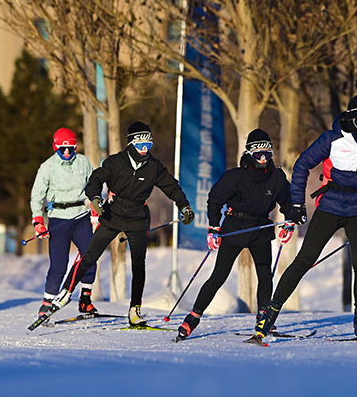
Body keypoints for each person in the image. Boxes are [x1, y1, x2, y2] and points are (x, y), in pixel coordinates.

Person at [255, 92, 357, 339]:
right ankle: (269, 316)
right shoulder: (332, 139)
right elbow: (302, 165)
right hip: (330, 206)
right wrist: (298, 204)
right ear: (351, 117)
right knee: (304, 260)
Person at [47, 121, 195, 326]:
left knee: (138, 266)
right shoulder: (116, 162)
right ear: (131, 143)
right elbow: (95, 180)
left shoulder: (154, 167)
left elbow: (172, 187)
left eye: (148, 145)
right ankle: (65, 293)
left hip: (138, 218)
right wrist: (96, 199)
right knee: (90, 254)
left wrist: (184, 206)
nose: (144, 150)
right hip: (112, 214)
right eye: (141, 145)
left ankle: (135, 310)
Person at [175, 129, 292, 341]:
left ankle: (263, 319)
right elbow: (214, 199)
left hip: (261, 229)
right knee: (219, 275)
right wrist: (213, 227)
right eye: (258, 154)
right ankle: (193, 317)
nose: (263, 158)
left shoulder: (277, 177)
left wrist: (290, 223)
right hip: (235, 227)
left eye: (267, 153)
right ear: (249, 153)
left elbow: (287, 202)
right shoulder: (235, 176)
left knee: (265, 275)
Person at [31, 127, 99, 319]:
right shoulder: (47, 167)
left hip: (81, 217)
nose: (67, 152)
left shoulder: (84, 162)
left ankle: (85, 300)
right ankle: (46, 303)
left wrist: (96, 207)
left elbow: (94, 185)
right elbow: (36, 195)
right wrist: (38, 221)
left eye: (71, 148)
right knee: (59, 265)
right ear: (55, 148)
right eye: (63, 149)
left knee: (90, 256)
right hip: (58, 219)